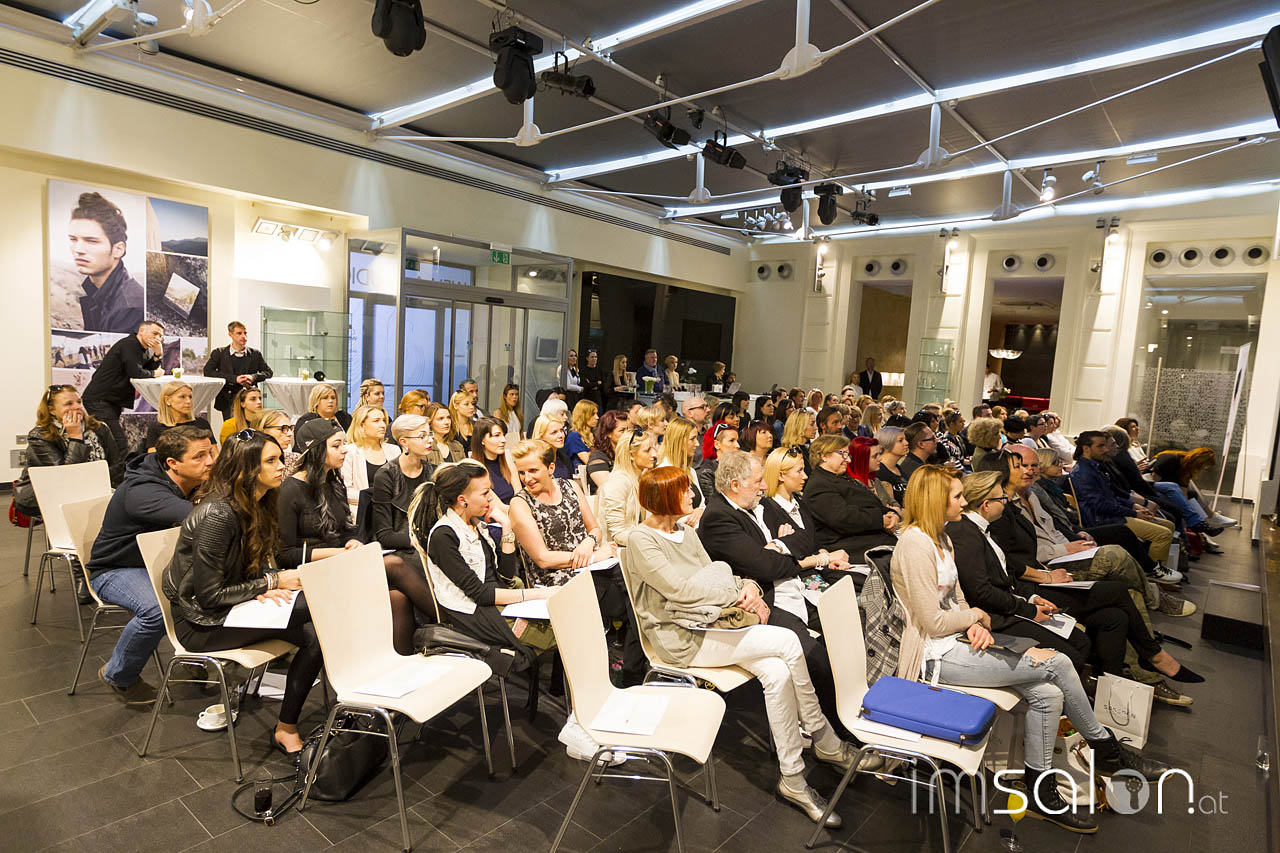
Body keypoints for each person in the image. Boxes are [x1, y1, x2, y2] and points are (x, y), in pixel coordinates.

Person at [889, 465, 1168, 834]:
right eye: (956, 497)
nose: (963, 502)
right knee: (1059, 663)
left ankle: (1041, 790)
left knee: (1048, 694)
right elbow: (933, 621)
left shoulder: (941, 538)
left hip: (956, 641)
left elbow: (957, 599)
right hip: (932, 655)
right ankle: (1105, 748)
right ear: (934, 501)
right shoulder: (915, 544)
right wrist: (976, 617)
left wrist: (973, 623)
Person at [624, 465, 861, 825]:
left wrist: (746, 586)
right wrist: (735, 592)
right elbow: (680, 591)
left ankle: (793, 778)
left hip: (711, 622)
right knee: (787, 642)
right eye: (684, 490)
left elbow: (717, 571)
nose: (693, 495)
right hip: (679, 637)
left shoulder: (685, 533)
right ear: (664, 497)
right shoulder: (642, 540)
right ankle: (825, 739)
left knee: (778, 672)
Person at [162, 430, 320, 755]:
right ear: (247, 469)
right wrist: (271, 583)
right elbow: (209, 596)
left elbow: (247, 565)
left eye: (279, 459)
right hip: (201, 624)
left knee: (316, 633)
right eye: (271, 461)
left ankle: (286, 728)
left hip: (232, 607)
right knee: (317, 605)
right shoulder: (218, 514)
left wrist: (263, 584)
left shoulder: (259, 502)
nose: (282, 466)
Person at [85, 425, 214, 704]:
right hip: (115, 570)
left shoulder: (190, 480)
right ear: (173, 463)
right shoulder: (143, 492)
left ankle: (194, 653)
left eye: (210, 453)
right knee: (156, 610)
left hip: (159, 563)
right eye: (200, 456)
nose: (210, 461)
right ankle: (119, 676)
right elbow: (204, 517)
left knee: (213, 586)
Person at [409, 460, 557, 669]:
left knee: (563, 619)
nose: (491, 498)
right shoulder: (444, 535)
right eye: (485, 493)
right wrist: (537, 594)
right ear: (462, 500)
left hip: (497, 600)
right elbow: (479, 594)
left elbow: (506, 575)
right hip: (473, 612)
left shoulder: (477, 525)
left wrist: (507, 527)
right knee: (560, 632)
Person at [947, 471, 1093, 671]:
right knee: (1072, 655)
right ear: (986, 505)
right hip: (995, 618)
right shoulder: (964, 533)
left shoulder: (983, 529)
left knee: (1082, 640)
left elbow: (1005, 576)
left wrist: (1032, 598)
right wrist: (1028, 610)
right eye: (1002, 498)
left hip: (1009, 606)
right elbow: (981, 592)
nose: (1006, 502)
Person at [1070, 431, 1176, 572]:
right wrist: (1134, 513)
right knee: (1163, 534)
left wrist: (1134, 506)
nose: (1106, 449)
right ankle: (1153, 573)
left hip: (1112, 514)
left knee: (1168, 524)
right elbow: (1100, 505)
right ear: (1086, 448)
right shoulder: (1083, 473)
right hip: (1104, 519)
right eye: (1101, 446)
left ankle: (1153, 567)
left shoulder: (1094, 468)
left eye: (1105, 445)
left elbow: (1111, 497)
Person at [15, 385, 125, 517]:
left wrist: (98, 483)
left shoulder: (99, 428)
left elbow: (117, 465)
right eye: (69, 404)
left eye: (79, 402)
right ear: (52, 410)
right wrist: (76, 438)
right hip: (49, 492)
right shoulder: (40, 436)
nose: (77, 407)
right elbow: (66, 477)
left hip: (93, 487)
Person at [805, 436, 897, 564]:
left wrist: (892, 514)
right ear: (824, 456)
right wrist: (880, 520)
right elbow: (843, 518)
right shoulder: (818, 485)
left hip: (870, 537)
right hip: (851, 547)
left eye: (848, 455)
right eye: (843, 454)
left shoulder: (842, 478)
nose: (848, 460)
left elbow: (872, 504)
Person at [81, 319, 165, 454]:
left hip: (110, 400)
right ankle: (116, 469)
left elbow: (145, 369)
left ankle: (109, 467)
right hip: (100, 400)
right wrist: (155, 373)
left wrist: (157, 355)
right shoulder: (130, 344)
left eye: (160, 336)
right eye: (155, 333)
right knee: (118, 444)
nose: (158, 339)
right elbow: (136, 372)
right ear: (141, 331)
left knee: (109, 444)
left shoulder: (141, 348)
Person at [68, 191, 145, 333]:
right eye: (73, 239)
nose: (78, 249)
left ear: (118, 250)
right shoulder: (99, 290)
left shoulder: (130, 308)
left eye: (91, 241)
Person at [370, 414, 435, 574]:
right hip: (400, 548)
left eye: (430, 434)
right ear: (404, 442)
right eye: (422, 436)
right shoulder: (386, 475)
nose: (430, 440)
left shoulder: (433, 472)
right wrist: (423, 541)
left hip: (429, 545)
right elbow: (385, 535)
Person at [339, 404, 402, 520]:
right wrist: (375, 499)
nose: (383, 425)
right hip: (361, 513)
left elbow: (400, 486)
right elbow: (345, 491)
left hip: (390, 513)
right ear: (362, 425)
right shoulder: (349, 451)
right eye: (376, 421)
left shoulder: (394, 450)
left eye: (384, 420)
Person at [598, 427, 658, 546]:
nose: (654, 454)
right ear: (631, 455)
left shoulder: (641, 479)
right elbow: (618, 534)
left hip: (636, 543)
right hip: (617, 551)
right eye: (647, 450)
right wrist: (653, 540)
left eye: (653, 449)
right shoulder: (617, 483)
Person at [203, 321, 272, 419]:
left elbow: (268, 372)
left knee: (251, 426)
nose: (244, 336)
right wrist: (234, 379)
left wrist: (253, 377)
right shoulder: (219, 353)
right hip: (227, 398)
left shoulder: (255, 354)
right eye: (239, 333)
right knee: (231, 426)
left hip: (249, 398)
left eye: (245, 333)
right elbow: (208, 372)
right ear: (230, 334)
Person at [657, 416, 705, 524]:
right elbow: (662, 516)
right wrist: (691, 519)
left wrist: (700, 511)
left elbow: (702, 503)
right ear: (678, 441)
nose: (697, 444)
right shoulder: (662, 474)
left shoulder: (691, 471)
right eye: (692, 439)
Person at [145, 380, 214, 451]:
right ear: (167, 400)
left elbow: (214, 454)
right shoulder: (156, 427)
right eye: (182, 397)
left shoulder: (202, 424)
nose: (188, 401)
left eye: (190, 397)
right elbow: (152, 456)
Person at [470, 417, 516, 504]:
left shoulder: (508, 462)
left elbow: (519, 496)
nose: (504, 440)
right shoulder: (475, 469)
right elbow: (499, 506)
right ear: (482, 440)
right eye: (497, 435)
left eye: (503, 435)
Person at [696, 421, 739, 500]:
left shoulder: (739, 467)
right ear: (717, 444)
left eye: (737, 441)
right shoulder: (707, 472)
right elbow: (712, 502)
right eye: (731, 441)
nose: (737, 445)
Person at [874, 426, 909, 505]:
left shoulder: (898, 469)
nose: (906, 443)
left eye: (905, 439)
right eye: (900, 440)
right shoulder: (879, 472)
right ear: (887, 443)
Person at [425, 401, 465, 466]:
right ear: (430, 422)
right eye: (441, 419)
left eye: (448, 418)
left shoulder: (458, 446)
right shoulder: (424, 446)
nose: (447, 422)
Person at [566, 400, 598, 471]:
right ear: (583, 416)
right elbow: (589, 462)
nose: (597, 417)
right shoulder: (574, 437)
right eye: (593, 414)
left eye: (596, 414)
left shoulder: (595, 435)